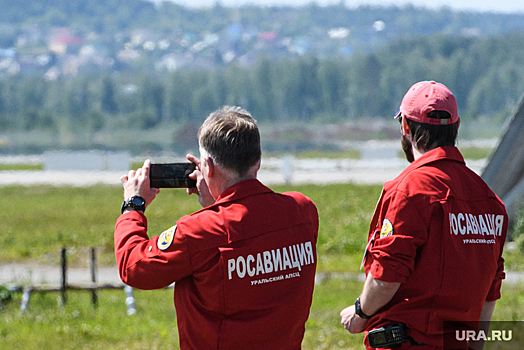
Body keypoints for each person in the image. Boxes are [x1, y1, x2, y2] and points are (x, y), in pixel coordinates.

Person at [115, 106, 319, 350]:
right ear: (258, 161)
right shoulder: (302, 211)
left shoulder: (198, 231)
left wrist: (133, 206)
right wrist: (217, 202)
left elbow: (134, 267)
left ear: (207, 167)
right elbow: (250, 235)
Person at [340, 81, 507, 350]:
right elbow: (491, 289)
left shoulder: (410, 190)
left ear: (405, 127)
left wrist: (360, 313)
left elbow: (386, 277)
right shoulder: (490, 201)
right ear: (457, 127)